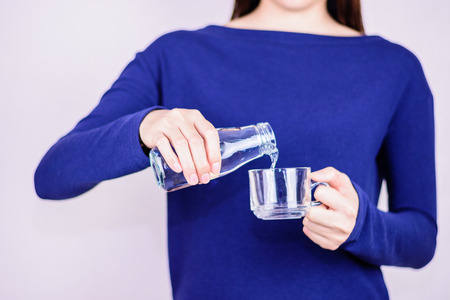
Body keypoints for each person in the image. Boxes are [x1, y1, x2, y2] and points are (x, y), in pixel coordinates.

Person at [34, 0, 437, 298]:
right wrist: (144, 127)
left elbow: (421, 238)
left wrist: (362, 225)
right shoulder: (176, 55)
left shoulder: (394, 68)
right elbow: (53, 176)